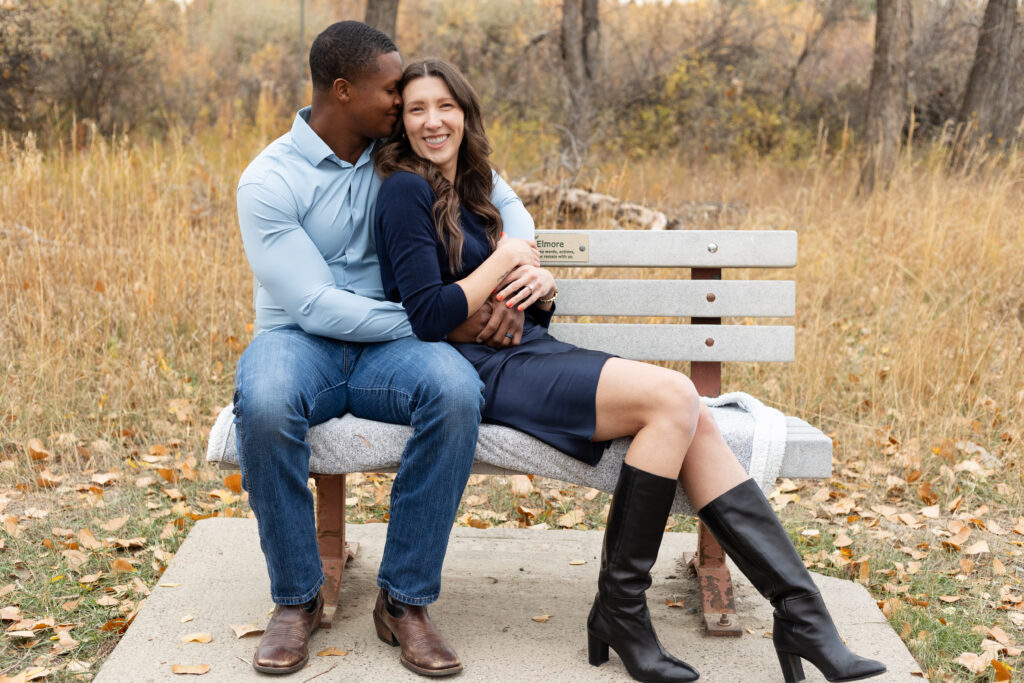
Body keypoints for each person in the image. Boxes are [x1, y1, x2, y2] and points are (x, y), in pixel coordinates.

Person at [373, 58, 888, 683]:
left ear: (466, 113)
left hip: (529, 352)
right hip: (478, 372)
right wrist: (506, 259)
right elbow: (426, 313)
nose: (433, 121)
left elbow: (511, 292)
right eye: (418, 108)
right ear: (400, 121)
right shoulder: (404, 189)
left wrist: (538, 281)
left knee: (689, 415)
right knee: (675, 396)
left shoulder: (478, 188)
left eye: (445, 106)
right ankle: (626, 609)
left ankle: (802, 617)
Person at [234, 23, 538, 677]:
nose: (403, 102)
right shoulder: (266, 181)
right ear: (343, 92)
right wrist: (434, 322)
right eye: (391, 89)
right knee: (262, 400)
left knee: (456, 392)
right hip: (301, 341)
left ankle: (404, 600)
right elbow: (312, 305)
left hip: (387, 355)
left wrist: (528, 260)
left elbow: (505, 201)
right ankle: (296, 597)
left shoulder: (400, 153)